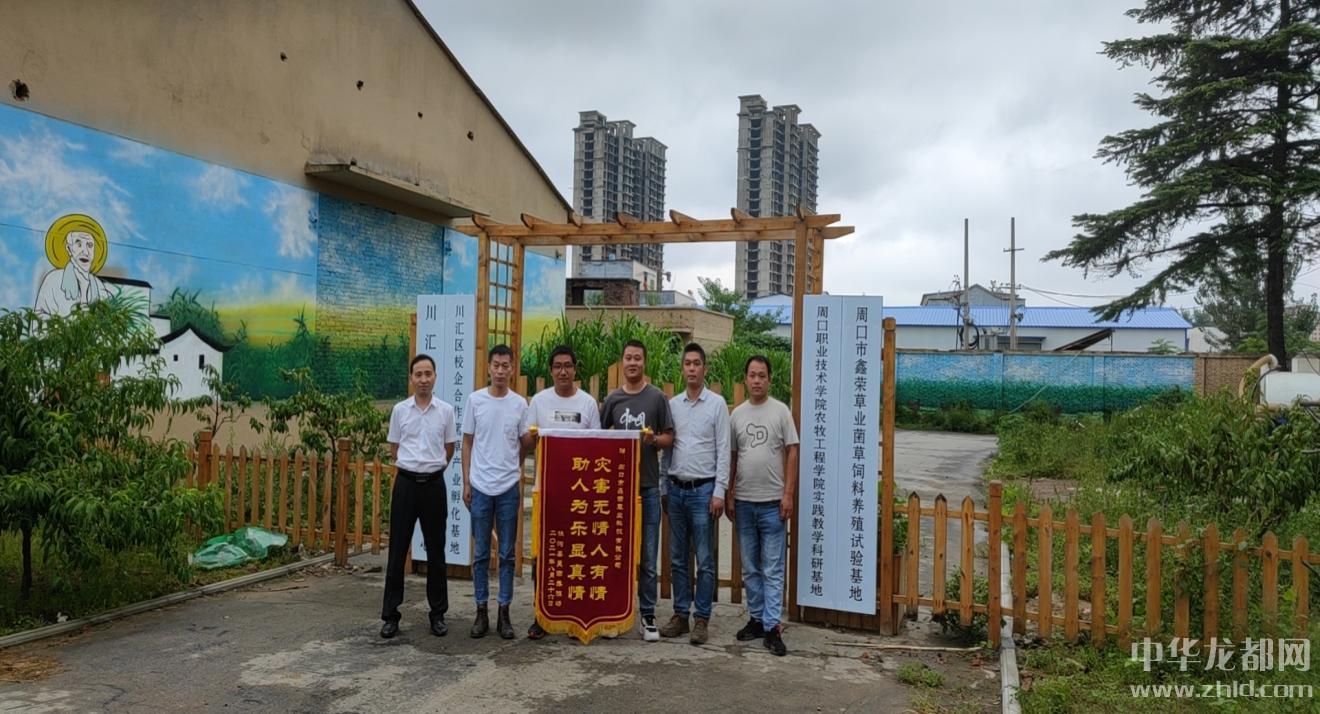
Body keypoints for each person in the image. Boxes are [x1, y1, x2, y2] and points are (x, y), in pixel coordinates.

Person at [523, 345, 601, 640]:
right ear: (551, 370)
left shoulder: (588, 403)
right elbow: (527, 443)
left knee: (575, 554)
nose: (563, 371)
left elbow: (597, 447)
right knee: (544, 554)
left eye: (568, 365)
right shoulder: (539, 402)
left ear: (575, 369)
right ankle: (541, 615)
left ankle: (574, 616)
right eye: (557, 366)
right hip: (547, 492)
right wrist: (532, 437)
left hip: (579, 495)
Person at [380, 353, 458, 639]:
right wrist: (414, 468)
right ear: (411, 378)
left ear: (435, 377)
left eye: (428, 374)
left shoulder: (445, 411)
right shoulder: (400, 410)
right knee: (398, 550)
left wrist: (431, 468)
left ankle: (437, 614)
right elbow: (395, 449)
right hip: (406, 484)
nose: (423, 379)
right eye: (418, 374)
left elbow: (449, 449)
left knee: (437, 551)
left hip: (434, 485)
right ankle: (390, 616)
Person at [600, 339, 673, 642]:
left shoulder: (656, 398)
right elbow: (598, 438)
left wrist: (653, 440)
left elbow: (670, 437)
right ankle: (614, 613)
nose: (633, 363)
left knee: (648, 554)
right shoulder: (612, 400)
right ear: (622, 362)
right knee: (615, 552)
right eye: (628, 358)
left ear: (645, 362)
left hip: (648, 488)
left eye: (638, 358)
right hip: (618, 490)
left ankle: (647, 614)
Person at [659, 342, 730, 645]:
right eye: (687, 363)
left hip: (703, 491)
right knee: (677, 558)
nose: (692, 368)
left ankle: (702, 618)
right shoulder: (673, 405)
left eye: (696, 363)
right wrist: (664, 485)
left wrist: (719, 491)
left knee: (705, 559)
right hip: (676, 490)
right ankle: (680, 615)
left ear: (704, 368)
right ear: (682, 368)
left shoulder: (717, 404)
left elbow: (724, 450)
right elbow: (667, 449)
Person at [728, 355, 798, 656]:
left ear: (769, 379)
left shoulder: (780, 411)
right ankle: (756, 619)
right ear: (746, 379)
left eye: (762, 375)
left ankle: (772, 627)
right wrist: (729, 492)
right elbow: (732, 457)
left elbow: (792, 452)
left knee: (772, 568)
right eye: (752, 375)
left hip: (773, 504)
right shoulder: (737, 415)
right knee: (750, 568)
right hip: (744, 502)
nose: (757, 380)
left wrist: (788, 494)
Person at [461, 344, 529, 639]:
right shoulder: (475, 400)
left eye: (506, 365)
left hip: (508, 487)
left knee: (507, 553)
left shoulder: (520, 404)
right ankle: (480, 611)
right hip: (480, 486)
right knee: (479, 554)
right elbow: (467, 442)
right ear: (489, 368)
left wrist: (514, 468)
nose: (501, 371)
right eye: (496, 365)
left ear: (512, 369)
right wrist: (466, 482)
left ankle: (504, 612)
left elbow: (524, 444)